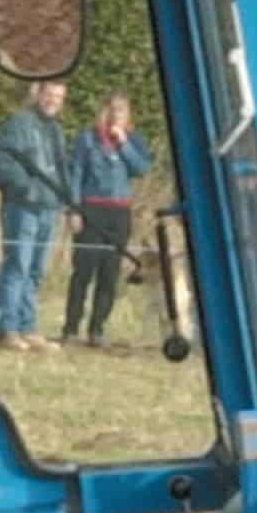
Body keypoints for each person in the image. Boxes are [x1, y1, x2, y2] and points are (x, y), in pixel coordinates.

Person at [0, 79, 81, 342]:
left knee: (37, 269)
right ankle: (6, 326)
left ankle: (27, 327)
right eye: (50, 95)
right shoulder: (18, 124)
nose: (53, 101)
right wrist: (27, 189)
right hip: (22, 208)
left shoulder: (56, 130)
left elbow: (62, 171)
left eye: (59, 97)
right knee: (18, 265)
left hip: (50, 209)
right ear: (37, 94)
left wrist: (71, 205)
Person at [64, 90, 161, 346]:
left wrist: (124, 144)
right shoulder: (87, 139)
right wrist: (74, 210)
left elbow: (141, 169)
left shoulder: (134, 140)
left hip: (119, 212)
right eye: (113, 109)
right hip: (91, 208)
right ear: (104, 111)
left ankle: (97, 329)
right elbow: (76, 174)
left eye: (122, 110)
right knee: (83, 271)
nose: (116, 115)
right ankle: (71, 328)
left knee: (110, 272)